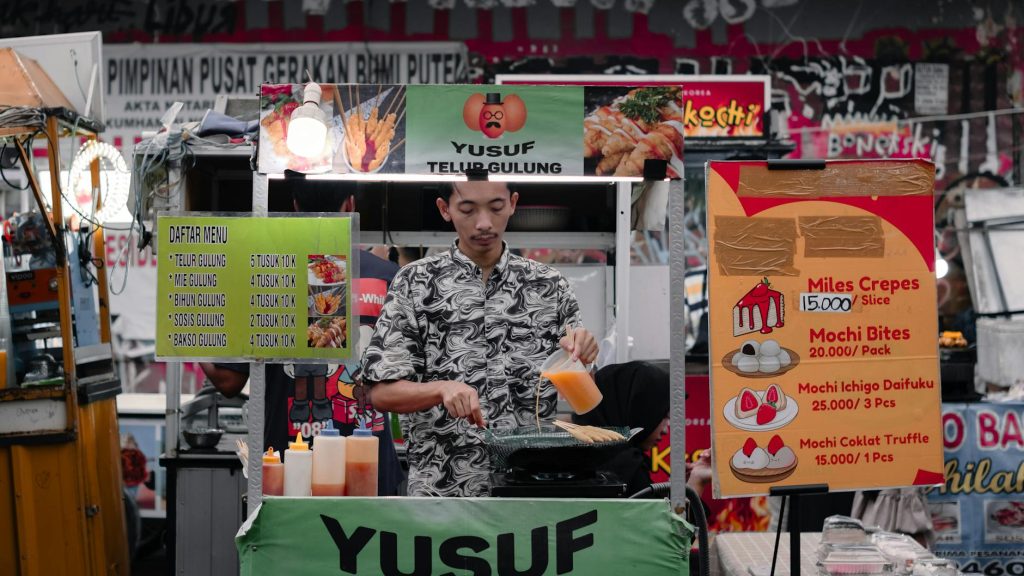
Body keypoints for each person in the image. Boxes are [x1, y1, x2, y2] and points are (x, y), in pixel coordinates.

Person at [362, 180, 599, 497]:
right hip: (442, 491)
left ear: (513, 204)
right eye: (468, 209)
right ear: (445, 210)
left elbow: (582, 383)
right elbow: (380, 393)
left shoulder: (549, 285)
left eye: (496, 207)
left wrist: (585, 352)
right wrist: (441, 389)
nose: (484, 222)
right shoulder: (415, 282)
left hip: (530, 493)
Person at [201, 184, 404, 495]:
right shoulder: (387, 277)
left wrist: (191, 338)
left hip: (288, 468)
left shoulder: (265, 276)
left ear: (294, 206)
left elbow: (228, 381)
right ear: (350, 205)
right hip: (370, 469)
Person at [573, 361, 712, 498]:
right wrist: (696, 482)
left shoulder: (576, 454)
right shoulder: (624, 468)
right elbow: (664, 521)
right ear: (638, 411)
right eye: (663, 416)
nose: (665, 430)